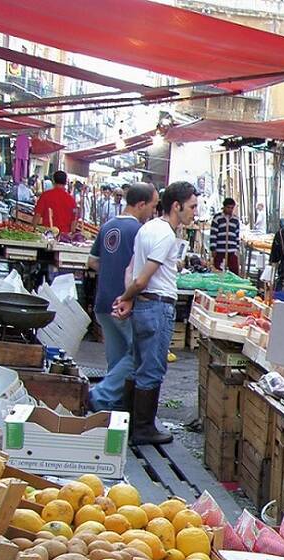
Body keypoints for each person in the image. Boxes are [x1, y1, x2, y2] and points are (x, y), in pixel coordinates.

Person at [112, 181, 197, 445]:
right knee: (151, 368)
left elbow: (131, 270)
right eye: (192, 207)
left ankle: (129, 424)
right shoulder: (165, 235)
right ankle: (143, 429)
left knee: (138, 365)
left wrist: (129, 298)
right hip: (157, 306)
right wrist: (127, 296)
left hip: (144, 305)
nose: (194, 212)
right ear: (176, 206)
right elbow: (141, 279)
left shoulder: (147, 228)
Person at [86, 182, 158, 412]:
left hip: (103, 300)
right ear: (141, 204)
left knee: (117, 357)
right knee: (138, 354)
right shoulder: (139, 231)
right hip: (124, 303)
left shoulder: (107, 226)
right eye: (153, 206)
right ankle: (100, 395)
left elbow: (92, 261)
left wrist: (110, 270)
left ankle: (111, 406)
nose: (153, 212)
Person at [209, 197, 242, 274]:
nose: (230, 210)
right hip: (220, 251)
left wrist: (237, 248)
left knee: (234, 272)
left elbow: (237, 235)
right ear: (224, 207)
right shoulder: (217, 218)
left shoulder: (235, 219)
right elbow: (213, 234)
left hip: (232, 251)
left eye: (232, 208)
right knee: (218, 272)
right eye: (228, 207)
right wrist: (213, 249)